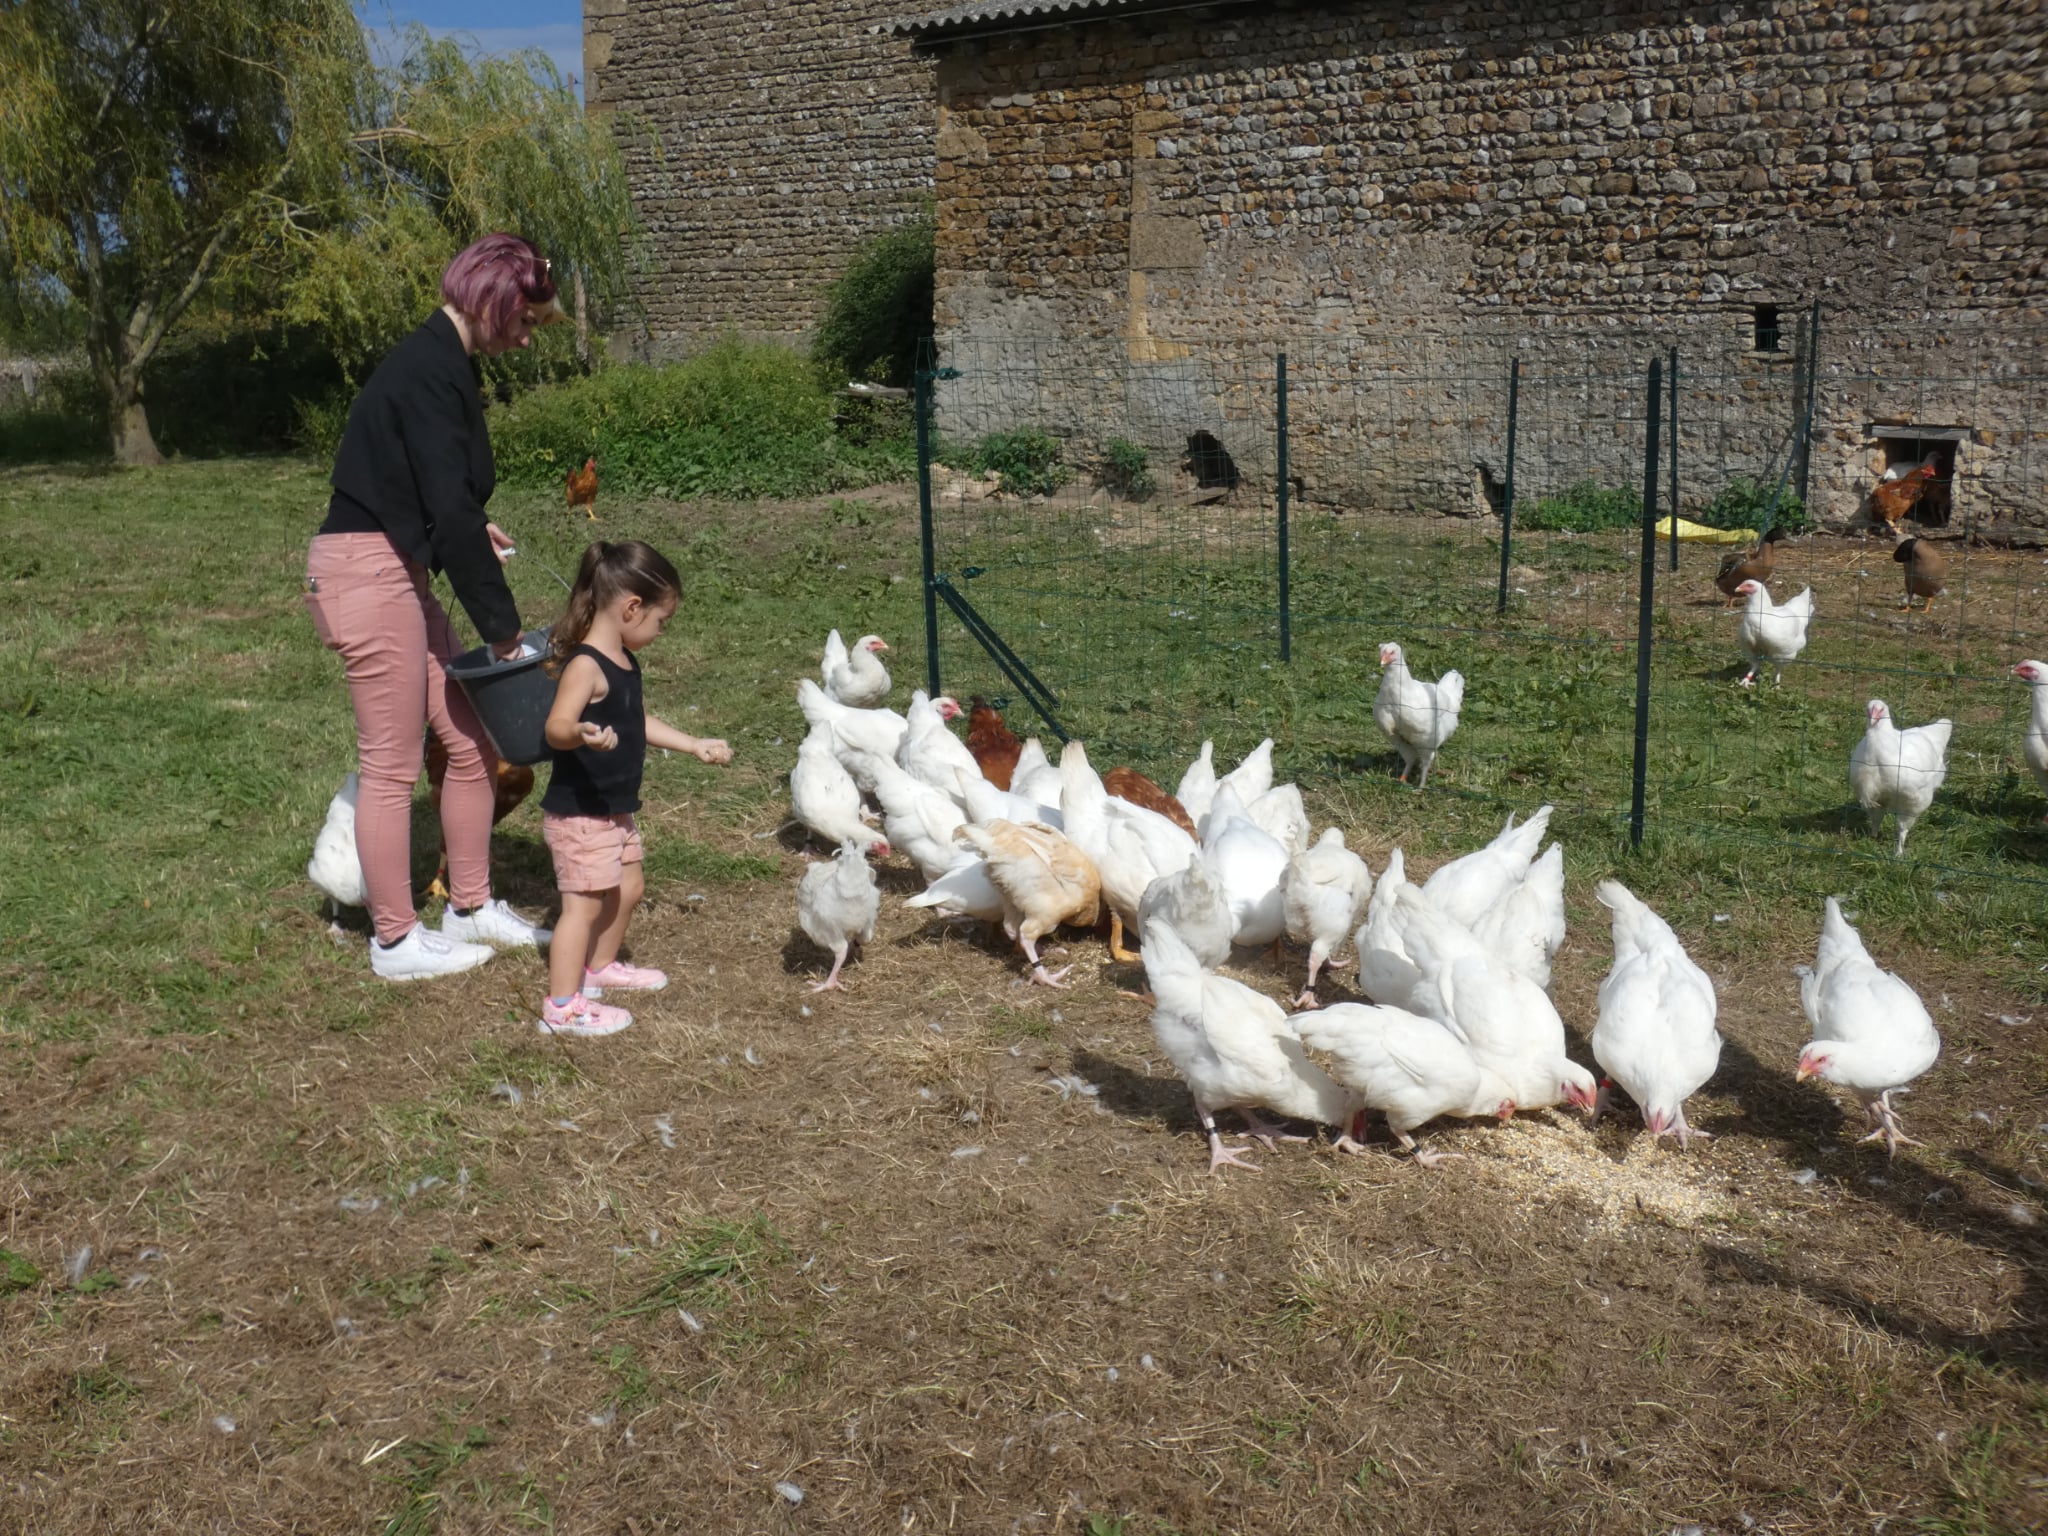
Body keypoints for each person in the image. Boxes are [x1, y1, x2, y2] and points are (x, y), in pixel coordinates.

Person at [305, 233, 559, 980]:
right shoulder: (427, 369)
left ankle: (471, 907)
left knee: (470, 735)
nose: (526, 334)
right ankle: (394, 942)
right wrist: (504, 631)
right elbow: (442, 505)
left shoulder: (438, 364)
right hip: (365, 576)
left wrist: (468, 526)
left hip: (393, 570)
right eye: (526, 318)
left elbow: (413, 484)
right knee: (391, 766)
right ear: (496, 301)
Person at [536, 540, 734, 1037]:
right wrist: (578, 732)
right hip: (580, 813)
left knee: (629, 887)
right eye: (661, 621)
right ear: (631, 608)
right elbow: (555, 726)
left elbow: (636, 719)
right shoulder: (587, 666)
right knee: (580, 908)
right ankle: (563, 1005)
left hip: (613, 809)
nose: (661, 631)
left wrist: (692, 744)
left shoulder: (623, 659)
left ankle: (599, 970)